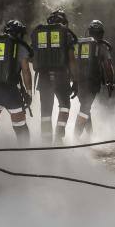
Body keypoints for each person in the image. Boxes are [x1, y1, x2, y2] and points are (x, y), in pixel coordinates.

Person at [0, 20, 33, 148]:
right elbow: (25, 71)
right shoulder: (19, 46)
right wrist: (29, 93)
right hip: (10, 92)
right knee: (20, 126)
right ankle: (25, 154)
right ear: (20, 34)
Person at [34, 9, 78, 144]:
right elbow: (71, 59)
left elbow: (32, 56)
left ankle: (46, 140)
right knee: (65, 105)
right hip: (61, 77)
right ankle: (59, 138)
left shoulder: (40, 33)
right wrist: (75, 80)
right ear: (64, 22)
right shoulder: (67, 34)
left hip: (44, 77)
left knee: (46, 110)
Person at [73, 19, 115, 139]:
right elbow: (108, 66)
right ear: (101, 33)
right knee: (85, 108)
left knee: (85, 107)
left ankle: (89, 136)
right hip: (92, 83)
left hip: (78, 82)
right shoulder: (102, 47)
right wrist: (111, 82)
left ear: (89, 31)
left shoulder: (79, 44)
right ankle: (75, 138)